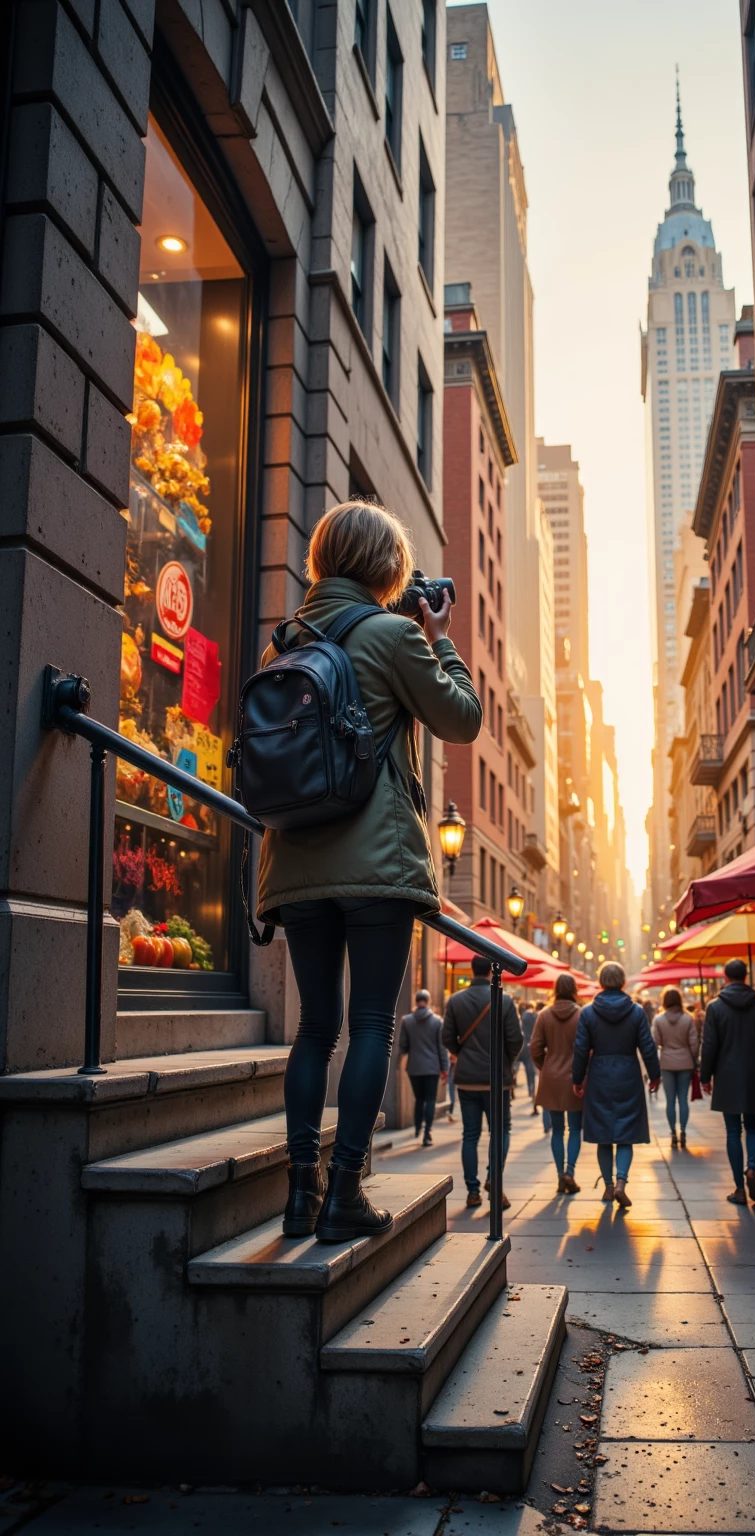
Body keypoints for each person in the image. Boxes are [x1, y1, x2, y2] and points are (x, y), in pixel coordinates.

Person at [257, 501, 481, 1243]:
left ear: (322, 560)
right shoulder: (392, 635)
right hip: (376, 865)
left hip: (295, 864)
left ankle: (299, 1193)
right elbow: (462, 718)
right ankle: (345, 1192)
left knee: (314, 1029)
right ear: (387, 568)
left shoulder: (282, 644)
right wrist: (439, 640)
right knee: (373, 1024)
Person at [572, 962, 661, 1209]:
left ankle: (609, 1186)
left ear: (600, 982)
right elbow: (647, 1046)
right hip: (628, 1076)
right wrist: (654, 1074)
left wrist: (577, 1079)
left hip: (599, 1075)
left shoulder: (588, 1013)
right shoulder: (636, 1011)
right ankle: (622, 1181)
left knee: (603, 1135)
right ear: (623, 982)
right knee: (626, 1134)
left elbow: (580, 1049)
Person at [443, 955, 523, 1208]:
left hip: (467, 1079)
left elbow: (447, 1037)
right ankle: (494, 1182)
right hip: (497, 1079)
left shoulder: (455, 1000)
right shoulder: (505, 1000)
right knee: (501, 1131)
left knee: (470, 1135)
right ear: (490, 972)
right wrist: (506, 1061)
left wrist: (463, 1053)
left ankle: (473, 1191)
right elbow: (516, 1039)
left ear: (471, 970)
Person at [699, 957, 755, 1205]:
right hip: (753, 1073)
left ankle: (739, 1189)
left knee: (733, 1131)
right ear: (745, 976)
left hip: (727, 1075)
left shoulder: (715, 1007)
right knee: (753, 1127)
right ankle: (752, 1167)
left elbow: (709, 1046)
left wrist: (705, 1076)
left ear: (725, 977)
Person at [531, 975, 583, 1193]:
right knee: (575, 1129)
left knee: (557, 1131)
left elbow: (534, 1048)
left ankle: (560, 1175)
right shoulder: (581, 1015)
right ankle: (570, 1172)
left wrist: (546, 1066)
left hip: (551, 1077)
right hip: (574, 1078)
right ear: (573, 989)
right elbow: (586, 1047)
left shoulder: (544, 1015)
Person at [398, 989, 447, 1146]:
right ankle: (427, 1132)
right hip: (432, 1067)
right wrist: (444, 1068)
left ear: (416, 1001)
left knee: (419, 1099)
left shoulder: (407, 1021)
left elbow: (403, 1046)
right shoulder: (437, 1021)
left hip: (414, 1067)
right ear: (429, 1001)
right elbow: (441, 1047)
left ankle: (418, 1127)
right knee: (430, 1099)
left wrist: (399, 1061)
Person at [652, 988, 700, 1149]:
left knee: (670, 1100)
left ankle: (673, 1132)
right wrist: (693, 1059)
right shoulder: (687, 1019)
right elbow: (694, 1043)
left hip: (667, 1062)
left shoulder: (658, 1020)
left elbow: (655, 1041)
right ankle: (684, 1131)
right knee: (683, 1099)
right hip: (685, 1062)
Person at [518, 1000, 539, 1112]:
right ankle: (532, 1091)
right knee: (532, 1071)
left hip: (525, 1046)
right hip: (533, 1045)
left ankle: (531, 1090)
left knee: (528, 1071)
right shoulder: (534, 1015)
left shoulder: (523, 1018)